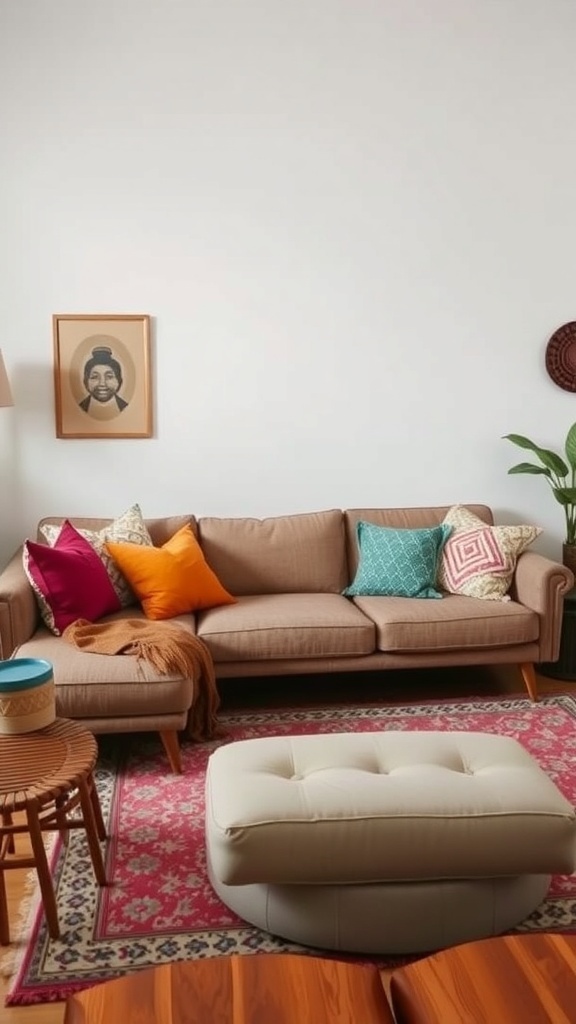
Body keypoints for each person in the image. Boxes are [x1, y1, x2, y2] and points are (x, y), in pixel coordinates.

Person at [79, 346, 128, 413]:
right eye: (95, 377)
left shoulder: (125, 407)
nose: (102, 384)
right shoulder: (79, 407)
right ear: (85, 381)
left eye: (109, 377)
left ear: (119, 381)